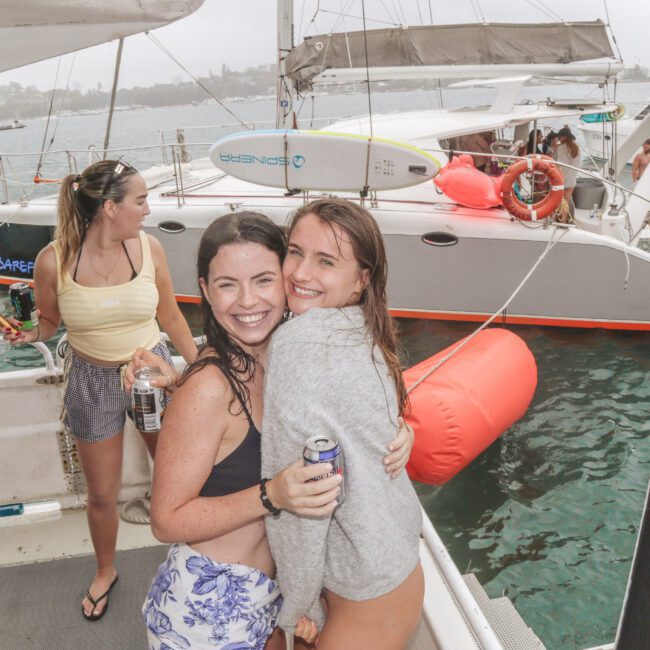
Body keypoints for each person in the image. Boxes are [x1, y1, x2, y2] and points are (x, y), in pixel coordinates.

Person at [134, 211, 413, 649]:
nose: (248, 301)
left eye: (263, 280)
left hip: (274, 598)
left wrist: (400, 432)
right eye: (227, 284)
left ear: (286, 278)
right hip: (211, 606)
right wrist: (271, 494)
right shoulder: (208, 388)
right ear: (205, 291)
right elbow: (166, 520)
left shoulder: (287, 357)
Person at [2, 160, 198, 621]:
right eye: (141, 200)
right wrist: (29, 335)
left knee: (177, 475)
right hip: (91, 378)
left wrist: (199, 368)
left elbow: (170, 316)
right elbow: (49, 322)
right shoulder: (54, 260)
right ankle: (106, 570)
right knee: (103, 494)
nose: (149, 209)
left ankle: (193, 557)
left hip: (151, 373)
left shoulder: (149, 249)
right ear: (110, 208)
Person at [262, 198, 424, 649]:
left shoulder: (297, 342)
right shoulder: (368, 331)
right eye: (294, 252)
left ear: (361, 279)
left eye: (326, 261)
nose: (299, 273)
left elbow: (306, 506)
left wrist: (298, 605)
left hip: (361, 601)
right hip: (400, 565)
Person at [553, 126, 581, 211]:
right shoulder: (577, 148)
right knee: (566, 203)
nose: (559, 139)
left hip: (561, 179)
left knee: (557, 202)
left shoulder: (560, 148)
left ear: (563, 137)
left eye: (560, 137)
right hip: (571, 180)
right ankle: (563, 222)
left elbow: (556, 164)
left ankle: (554, 221)